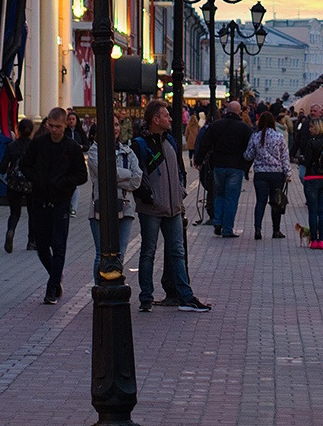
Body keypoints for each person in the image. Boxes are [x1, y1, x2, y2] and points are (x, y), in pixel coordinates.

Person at [131, 103, 211, 311]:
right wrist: (148, 197)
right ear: (156, 120)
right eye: (166, 115)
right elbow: (135, 176)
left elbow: (180, 170)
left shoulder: (171, 141)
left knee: (177, 251)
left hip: (174, 207)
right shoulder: (140, 145)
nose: (171, 118)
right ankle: (146, 297)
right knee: (148, 252)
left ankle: (185, 296)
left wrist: (181, 190)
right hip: (151, 209)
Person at [20, 107, 87, 303]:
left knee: (58, 245)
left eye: (58, 126)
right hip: (39, 200)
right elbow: (25, 165)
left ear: (66, 125)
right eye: (51, 126)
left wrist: (63, 182)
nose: (54, 130)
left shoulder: (72, 148)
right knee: (41, 247)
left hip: (60, 201)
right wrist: (37, 180)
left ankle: (51, 288)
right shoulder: (39, 143)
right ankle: (56, 275)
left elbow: (81, 176)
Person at [90, 119, 143, 279]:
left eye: (117, 124)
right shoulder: (94, 151)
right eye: (110, 124)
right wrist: (126, 174)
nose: (114, 128)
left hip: (125, 207)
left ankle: (115, 284)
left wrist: (115, 176)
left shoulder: (127, 151)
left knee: (120, 254)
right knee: (102, 255)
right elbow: (104, 173)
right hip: (100, 208)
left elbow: (137, 179)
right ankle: (100, 288)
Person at [196, 101, 253, 238]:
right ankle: (227, 229)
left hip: (218, 166)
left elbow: (205, 143)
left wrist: (198, 160)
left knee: (219, 195)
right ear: (239, 112)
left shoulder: (216, 125)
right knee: (231, 198)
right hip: (236, 167)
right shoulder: (245, 128)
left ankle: (217, 221)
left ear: (226, 111)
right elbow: (250, 150)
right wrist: (246, 168)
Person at [293, 113, 323, 248]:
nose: (309, 129)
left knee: (313, 211)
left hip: (312, 178)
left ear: (317, 128)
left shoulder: (312, 143)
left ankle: (313, 240)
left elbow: (307, 161)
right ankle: (322, 240)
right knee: (322, 211)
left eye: (312, 127)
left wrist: (300, 159)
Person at [248, 106, 291, 239]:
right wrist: (287, 173)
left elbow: (248, 155)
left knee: (260, 202)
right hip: (276, 174)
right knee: (276, 202)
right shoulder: (279, 136)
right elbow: (285, 156)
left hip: (260, 174)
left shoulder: (255, 136)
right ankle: (276, 230)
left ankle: (258, 229)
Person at [0, 118, 36, 253]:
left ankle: (11, 230)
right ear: (31, 131)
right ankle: (31, 241)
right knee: (32, 212)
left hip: (14, 183)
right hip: (30, 183)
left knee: (14, 212)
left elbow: (2, 168)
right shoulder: (34, 146)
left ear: (18, 130)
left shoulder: (12, 146)